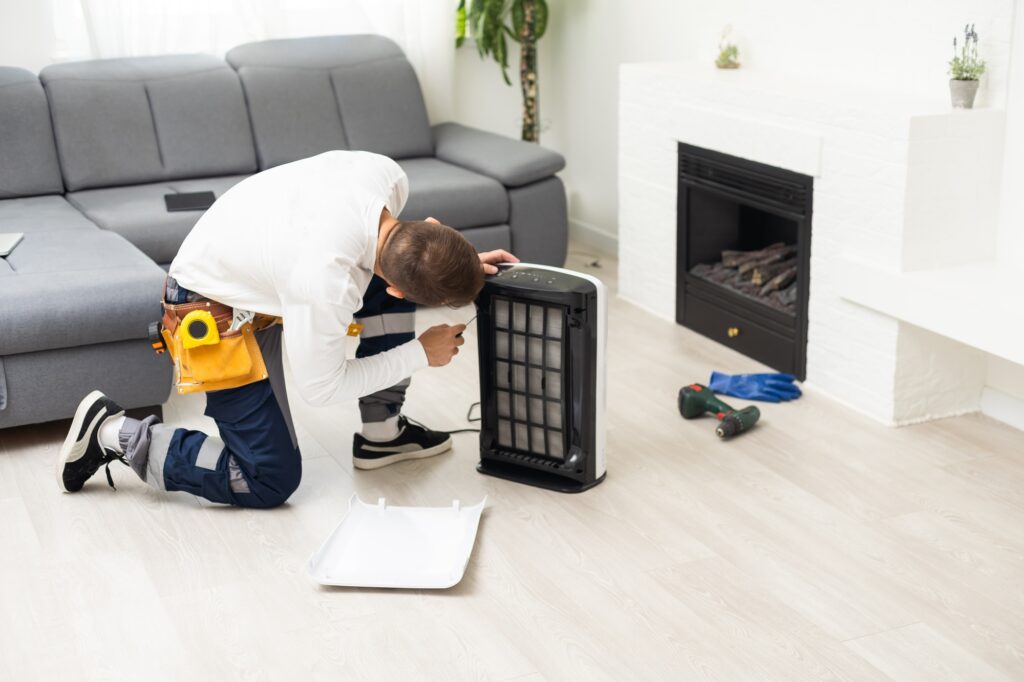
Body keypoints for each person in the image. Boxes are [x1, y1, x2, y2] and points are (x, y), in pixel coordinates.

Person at [56, 150, 518, 508]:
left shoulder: (385, 175)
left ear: (432, 224)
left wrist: (458, 267)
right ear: (400, 289)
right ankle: (114, 434)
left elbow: (409, 254)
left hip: (267, 279)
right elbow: (321, 387)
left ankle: (383, 436)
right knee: (266, 479)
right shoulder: (326, 280)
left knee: (373, 276)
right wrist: (421, 352)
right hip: (212, 309)